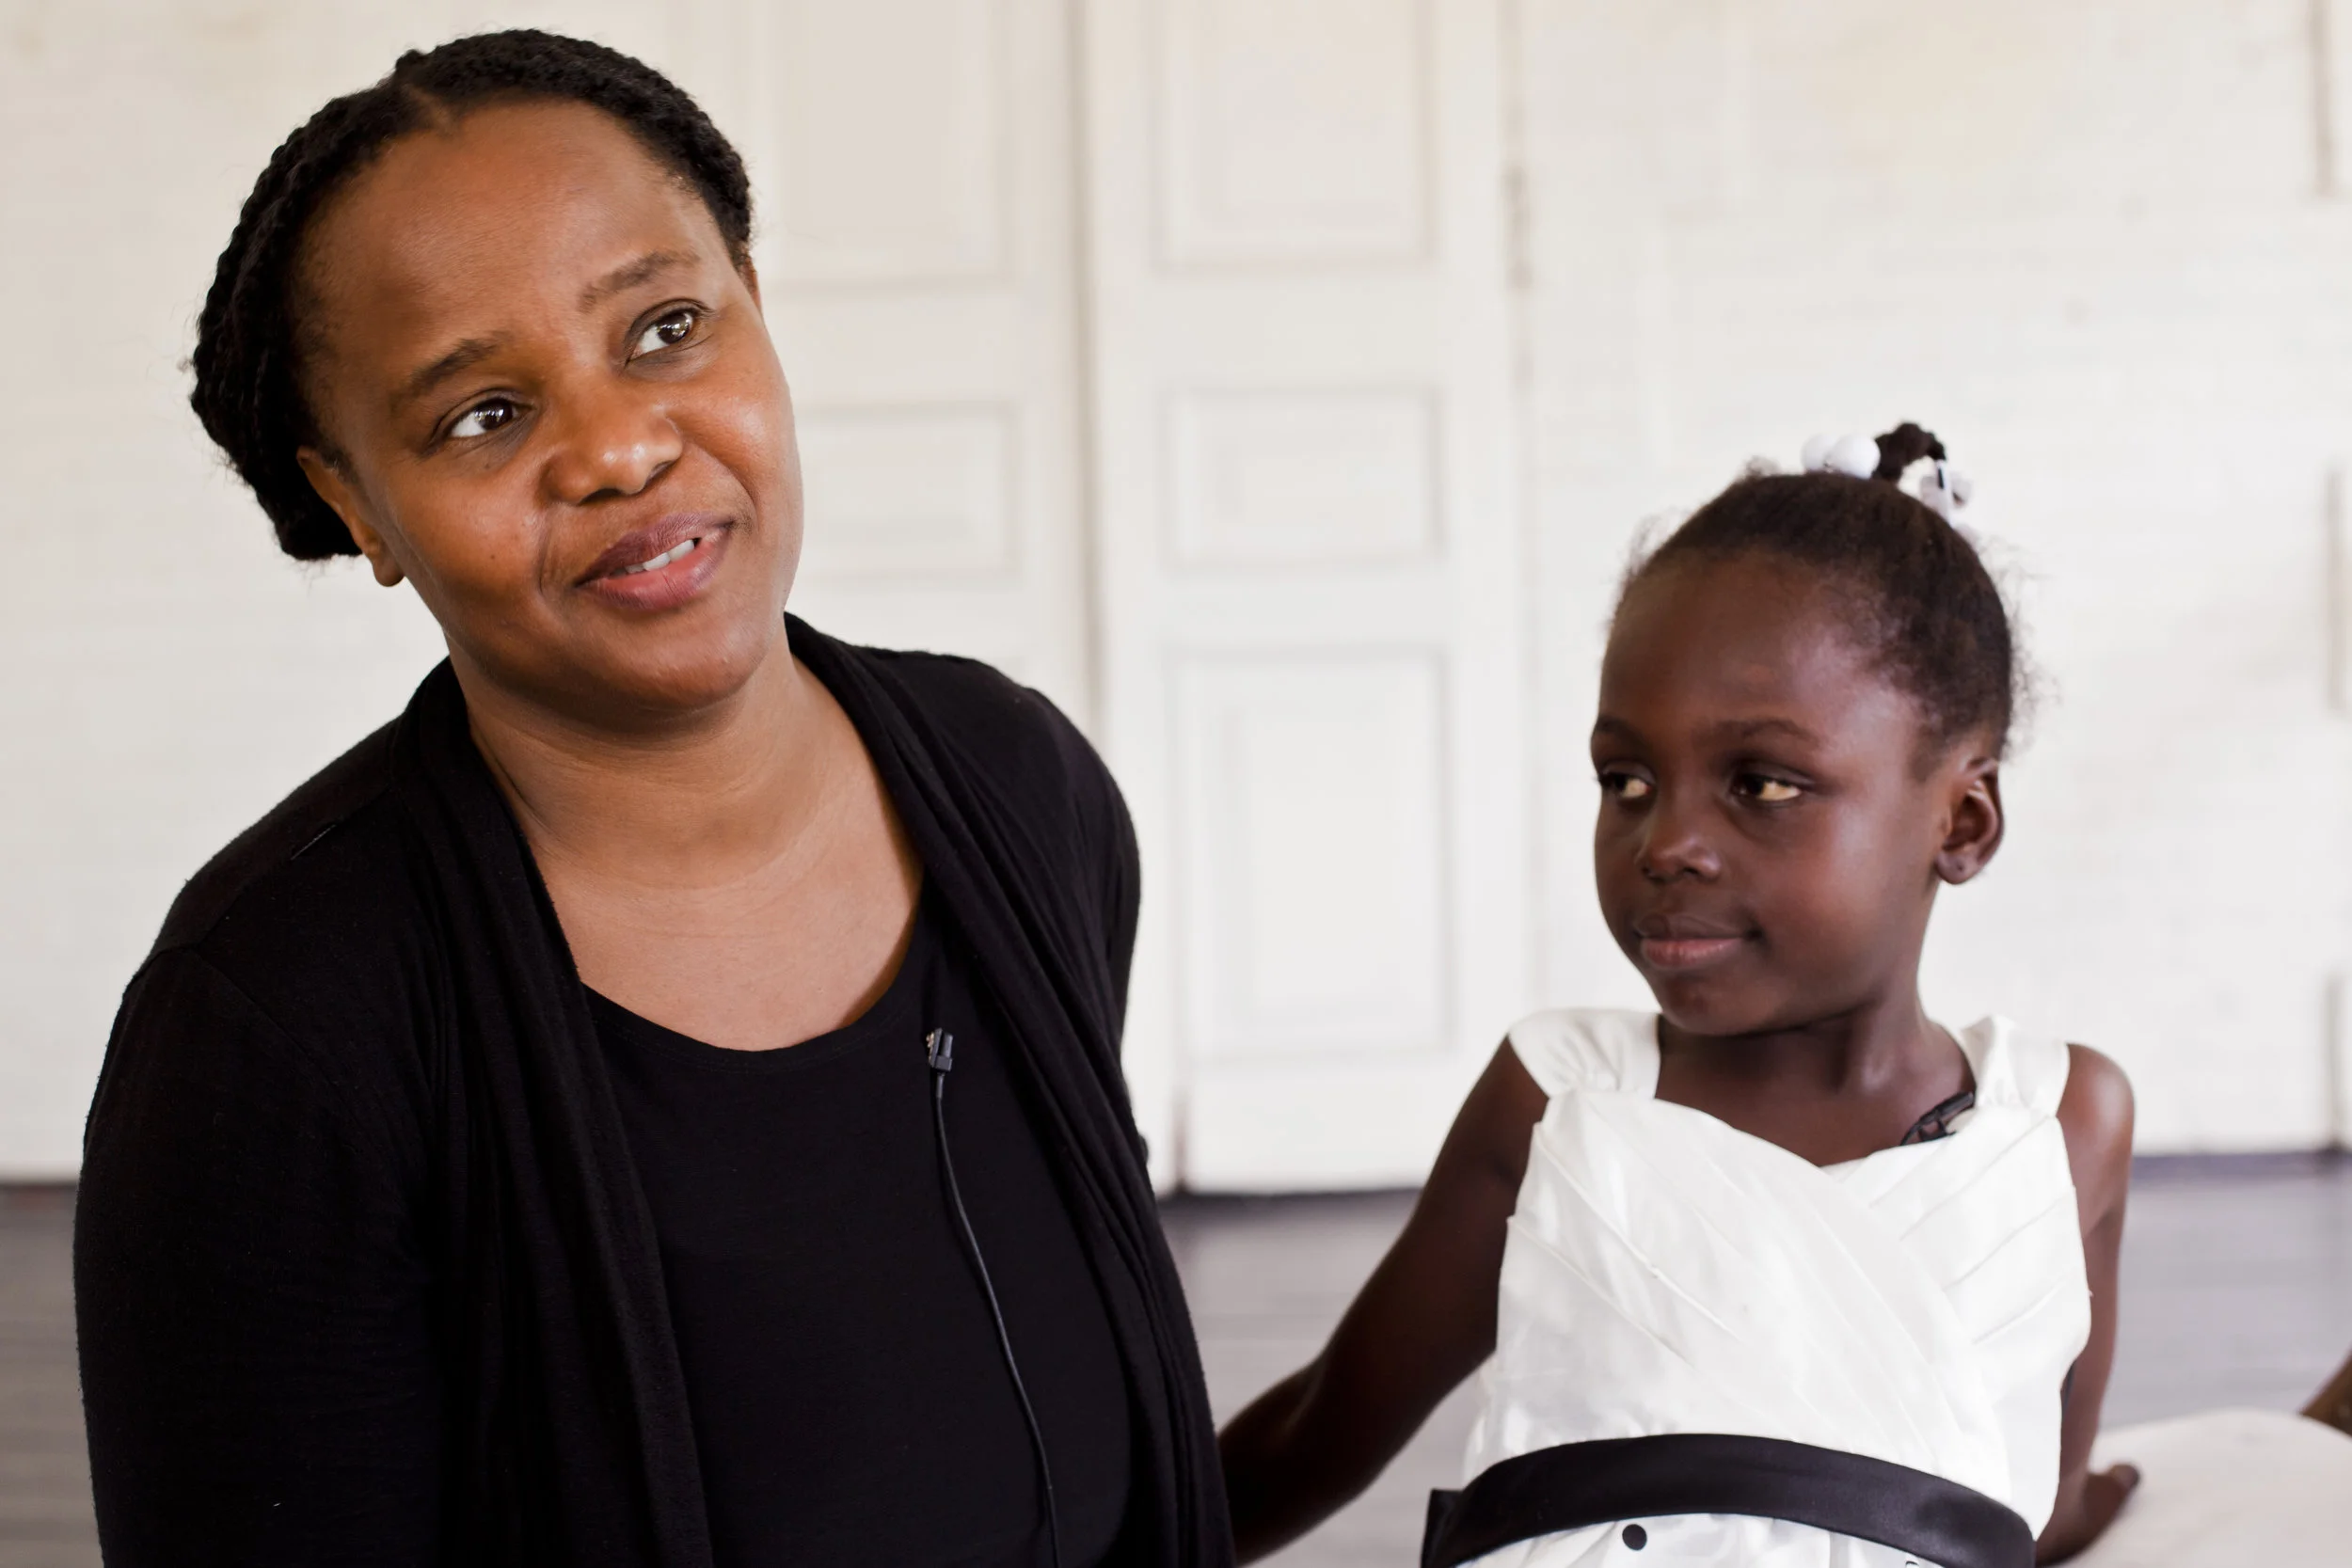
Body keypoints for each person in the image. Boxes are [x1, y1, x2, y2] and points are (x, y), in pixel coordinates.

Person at [73, 31, 1231, 1568]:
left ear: (756, 300)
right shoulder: (276, 1025)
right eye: (481, 414)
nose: (620, 446)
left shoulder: (1018, 784)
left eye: (668, 325)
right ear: (359, 501)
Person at [1214, 424, 2352, 1566]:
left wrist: (2189, 1490)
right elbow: (1321, 1432)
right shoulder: (1562, 1098)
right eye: (1627, 779)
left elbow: (2028, 1495)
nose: (1667, 843)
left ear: (1960, 820)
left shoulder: (2061, 1120)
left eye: (1760, 782)